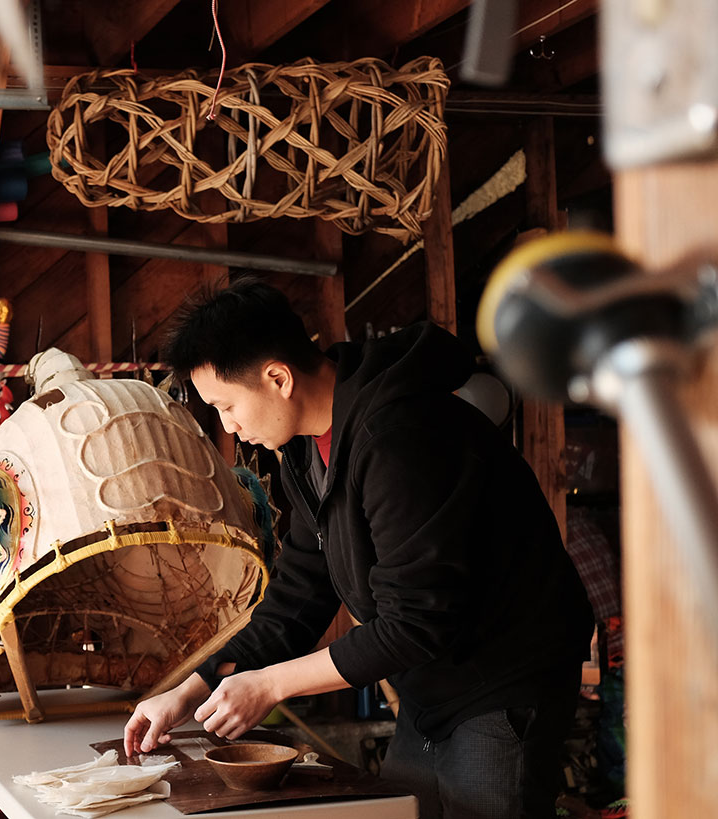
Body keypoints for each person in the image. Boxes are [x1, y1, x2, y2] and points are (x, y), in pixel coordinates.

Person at [123, 277, 594, 819]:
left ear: (277, 378)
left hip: (503, 680)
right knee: (396, 811)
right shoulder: (309, 450)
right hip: (433, 685)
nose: (228, 427)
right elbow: (298, 595)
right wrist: (193, 685)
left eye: (227, 406)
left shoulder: (399, 437)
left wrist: (271, 685)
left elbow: (416, 622)